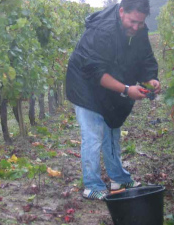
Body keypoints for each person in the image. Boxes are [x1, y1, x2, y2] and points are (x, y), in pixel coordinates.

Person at [66, 0, 160, 200]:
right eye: (133, 22)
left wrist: (151, 79)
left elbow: (146, 59)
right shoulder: (103, 31)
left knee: (111, 129)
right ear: (121, 11)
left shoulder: (138, 29)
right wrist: (126, 89)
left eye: (140, 23)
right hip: (85, 83)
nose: (136, 27)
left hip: (111, 80)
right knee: (93, 133)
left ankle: (118, 177)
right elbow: (94, 71)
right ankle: (92, 186)